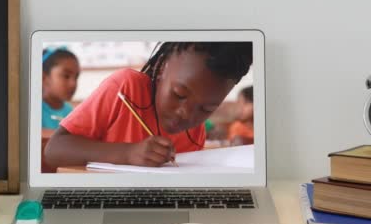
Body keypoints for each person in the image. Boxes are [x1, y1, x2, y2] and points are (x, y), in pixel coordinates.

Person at [45, 42, 252, 168]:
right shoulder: (125, 88)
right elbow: (54, 150)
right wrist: (128, 153)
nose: (186, 114)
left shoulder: (195, 131)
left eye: (206, 109)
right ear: (162, 66)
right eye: (179, 94)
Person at [41, 47, 80, 130]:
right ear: (43, 78)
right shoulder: (34, 109)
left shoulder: (69, 110)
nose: (73, 84)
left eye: (76, 77)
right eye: (66, 76)